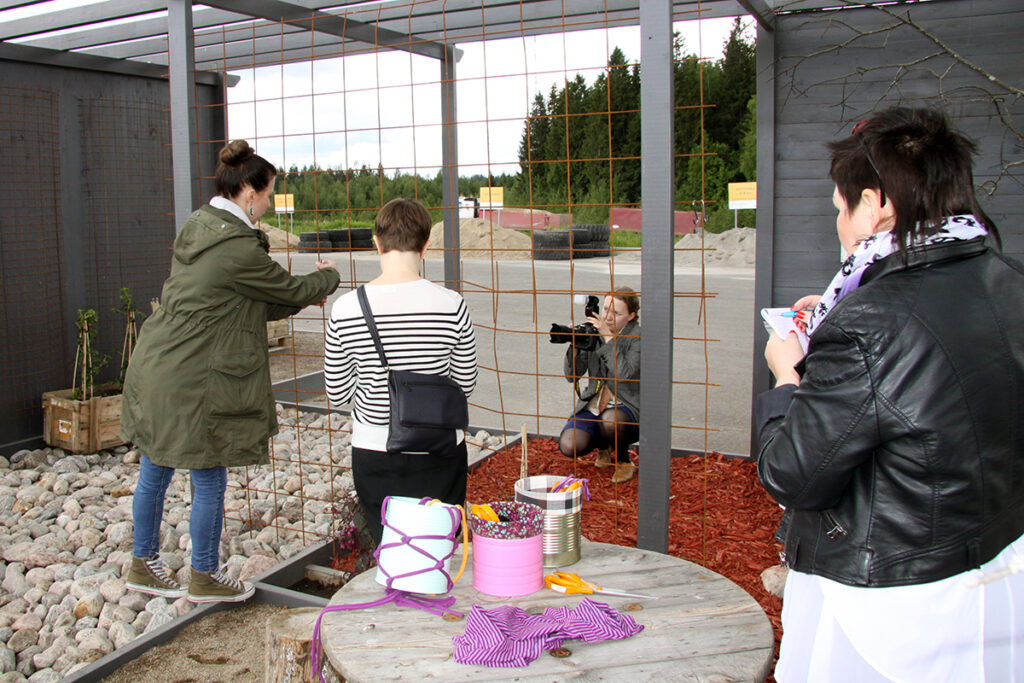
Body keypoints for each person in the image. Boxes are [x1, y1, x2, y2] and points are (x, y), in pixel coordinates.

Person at [755, 107, 1024, 681]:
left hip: (889, 609)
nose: (839, 223)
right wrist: (834, 323)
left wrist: (788, 377)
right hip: (995, 570)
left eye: (840, 208)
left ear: (878, 205)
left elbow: (790, 473)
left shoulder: (869, 323)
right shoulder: (1007, 279)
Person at [121, 140, 341, 603]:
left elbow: (254, 299)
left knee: (155, 466)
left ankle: (142, 563)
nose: (268, 202)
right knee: (209, 474)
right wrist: (326, 278)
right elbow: (283, 286)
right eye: (268, 194)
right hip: (191, 374)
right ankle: (204, 575)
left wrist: (302, 295)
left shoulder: (203, 230)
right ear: (247, 193)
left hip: (158, 364)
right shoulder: (237, 249)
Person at [323, 198, 478, 546]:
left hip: (374, 449)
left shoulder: (345, 309)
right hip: (440, 449)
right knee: (438, 550)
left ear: (376, 243)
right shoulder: (452, 305)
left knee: (391, 550)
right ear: (425, 245)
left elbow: (337, 393)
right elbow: (464, 385)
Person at [558, 287, 641, 484]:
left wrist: (608, 338)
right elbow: (572, 376)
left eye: (616, 313)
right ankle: (604, 446)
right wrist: (575, 345)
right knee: (569, 445)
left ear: (631, 316)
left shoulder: (637, 336)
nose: (608, 317)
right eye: (605, 310)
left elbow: (624, 374)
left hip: (627, 409)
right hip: (595, 404)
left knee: (611, 419)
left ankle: (623, 461)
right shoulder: (592, 331)